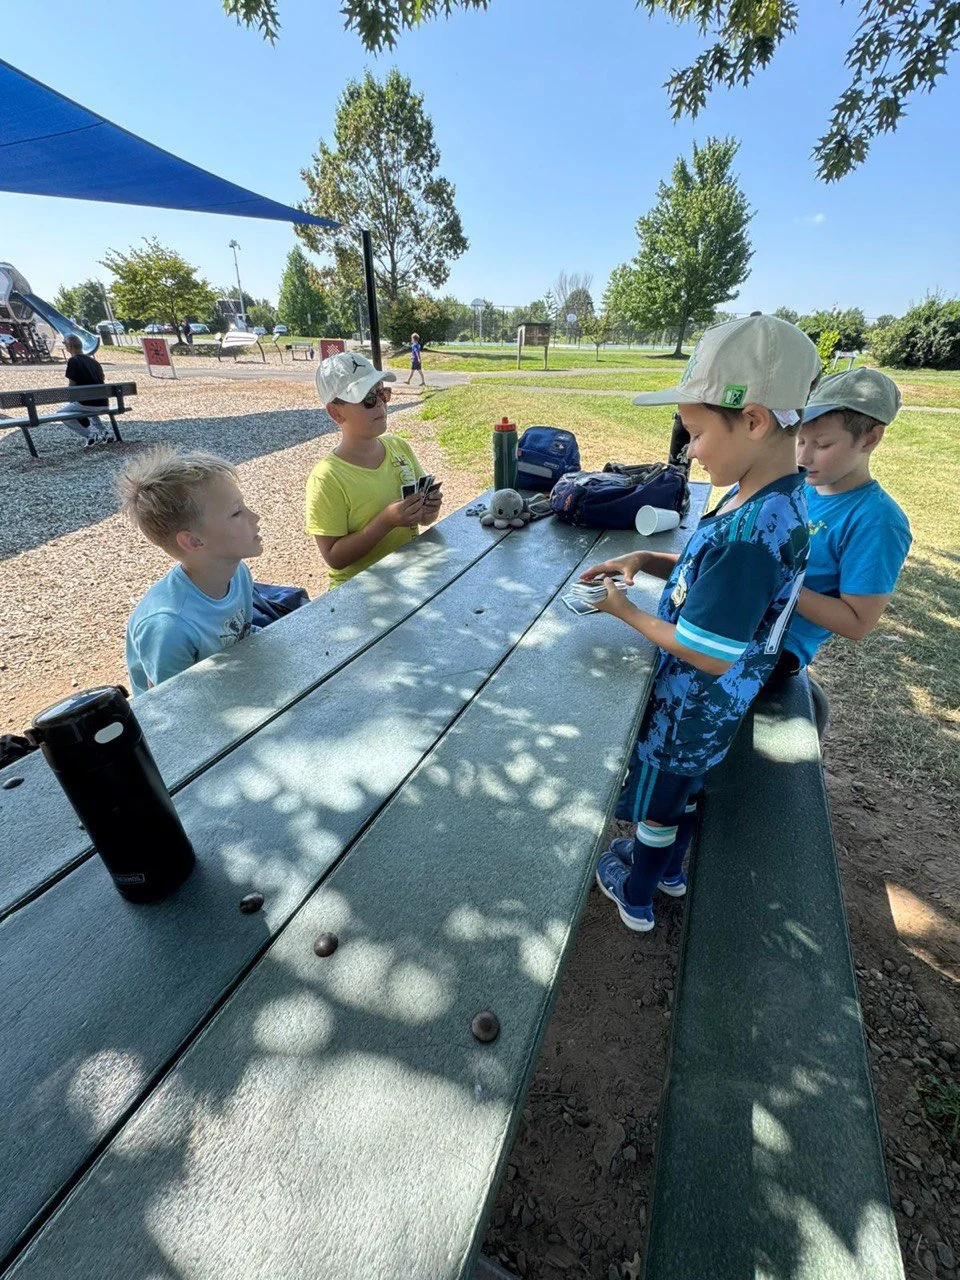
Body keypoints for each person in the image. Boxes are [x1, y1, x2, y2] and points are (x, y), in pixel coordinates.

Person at [581, 315, 821, 933]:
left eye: (695, 431)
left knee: (659, 803)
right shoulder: (763, 497)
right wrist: (644, 560)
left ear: (754, 420)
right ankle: (670, 870)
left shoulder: (751, 532)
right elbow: (702, 570)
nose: (688, 449)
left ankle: (636, 891)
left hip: (691, 707)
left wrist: (623, 610)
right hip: (712, 711)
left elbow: (707, 652)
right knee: (683, 795)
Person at [770, 367, 912, 735]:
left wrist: (780, 582)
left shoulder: (877, 521)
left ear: (870, 439)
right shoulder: (802, 487)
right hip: (746, 616)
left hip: (776, 648)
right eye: (800, 440)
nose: (804, 456)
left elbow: (857, 622)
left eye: (823, 445)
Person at [119, 448, 262, 696]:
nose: (255, 517)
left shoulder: (237, 573)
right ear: (194, 541)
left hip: (235, 685)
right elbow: (174, 705)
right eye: (237, 512)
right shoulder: (169, 626)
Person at [306, 351, 441, 588]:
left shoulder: (400, 447)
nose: (380, 404)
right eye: (368, 398)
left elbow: (427, 519)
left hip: (409, 575)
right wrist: (386, 521)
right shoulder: (327, 478)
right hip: (358, 590)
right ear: (335, 412)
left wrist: (429, 508)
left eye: (382, 392)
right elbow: (334, 557)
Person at [61, 335, 110, 446]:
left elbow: (72, 385)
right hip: (103, 402)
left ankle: (90, 435)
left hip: (88, 403)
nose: (66, 347)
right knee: (89, 407)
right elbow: (102, 378)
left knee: (62, 414)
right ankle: (105, 432)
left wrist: (71, 401)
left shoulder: (73, 361)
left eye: (66, 345)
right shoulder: (94, 362)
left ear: (70, 347)